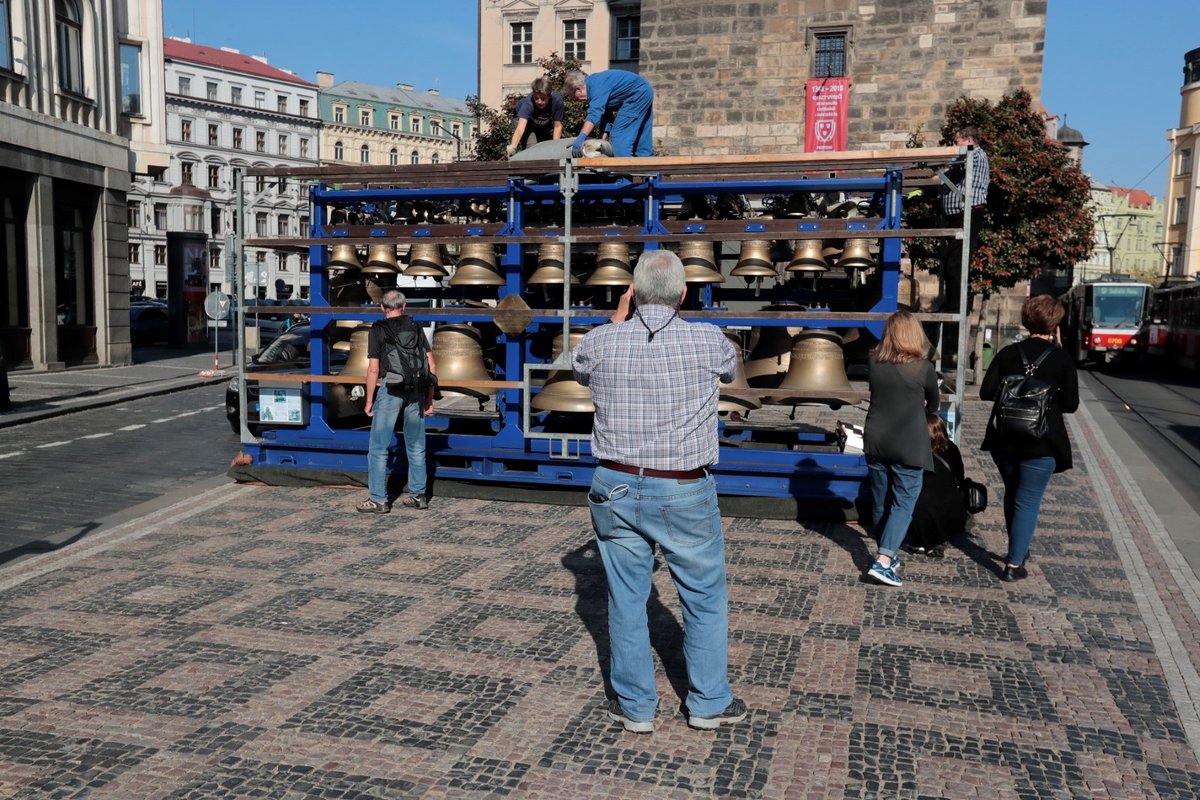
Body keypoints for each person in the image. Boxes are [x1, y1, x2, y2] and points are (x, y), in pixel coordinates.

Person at [571, 249, 746, 733]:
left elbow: (579, 368)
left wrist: (620, 314)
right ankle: (708, 702)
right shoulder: (708, 341)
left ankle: (636, 708)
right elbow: (731, 370)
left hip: (615, 485)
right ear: (684, 293)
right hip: (684, 487)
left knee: (627, 598)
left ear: (633, 290)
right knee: (704, 598)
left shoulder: (600, 341)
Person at [979, 295, 1078, 582]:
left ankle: (1018, 549)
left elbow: (987, 392)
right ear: (1055, 323)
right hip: (1042, 441)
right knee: (1028, 499)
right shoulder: (1061, 359)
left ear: (1026, 319)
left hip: (1005, 438)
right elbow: (1071, 404)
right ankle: (1013, 564)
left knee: (1014, 493)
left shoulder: (1008, 353)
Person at [863, 310, 941, 587]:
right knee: (903, 502)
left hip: (875, 438)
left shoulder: (874, 361)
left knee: (880, 500)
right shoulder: (924, 368)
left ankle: (886, 551)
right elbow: (934, 404)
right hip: (908, 442)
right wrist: (921, 404)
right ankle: (883, 561)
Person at [356, 289, 436, 514]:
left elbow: (373, 368)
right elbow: (432, 365)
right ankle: (418, 496)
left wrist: (369, 399)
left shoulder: (378, 329)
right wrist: (429, 398)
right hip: (416, 391)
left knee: (378, 448)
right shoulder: (415, 326)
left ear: (382, 308)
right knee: (417, 446)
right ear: (404, 306)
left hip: (390, 391)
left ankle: (378, 500)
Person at [939, 125, 990, 315]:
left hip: (968, 212)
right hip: (958, 214)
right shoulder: (966, 157)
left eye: (956, 141)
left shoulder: (975, 154)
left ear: (968, 140)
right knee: (951, 260)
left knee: (956, 261)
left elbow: (957, 163)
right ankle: (952, 303)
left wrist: (945, 161)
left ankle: (956, 306)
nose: (954, 145)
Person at [903, 412, 968, 558]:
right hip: (951, 510)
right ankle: (934, 542)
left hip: (921, 511)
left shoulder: (914, 451)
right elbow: (960, 476)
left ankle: (920, 542)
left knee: (919, 504)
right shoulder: (952, 448)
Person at [562, 69, 654, 158]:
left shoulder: (596, 85)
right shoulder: (594, 83)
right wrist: (602, 139)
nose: (578, 100)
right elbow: (606, 115)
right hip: (644, 90)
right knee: (642, 137)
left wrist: (581, 137)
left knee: (618, 136)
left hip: (637, 94)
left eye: (575, 97)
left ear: (578, 89)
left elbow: (594, 114)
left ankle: (624, 171)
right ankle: (650, 171)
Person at [506, 77, 564, 158]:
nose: (539, 102)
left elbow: (558, 126)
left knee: (547, 147)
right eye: (536, 98)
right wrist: (513, 147)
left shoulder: (557, 101)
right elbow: (520, 128)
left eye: (543, 99)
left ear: (549, 96)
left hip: (540, 121)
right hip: (523, 120)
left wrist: (555, 148)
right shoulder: (529, 103)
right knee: (532, 147)